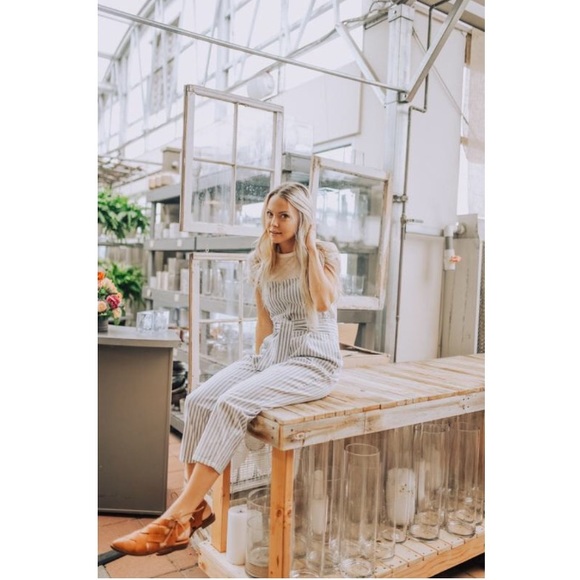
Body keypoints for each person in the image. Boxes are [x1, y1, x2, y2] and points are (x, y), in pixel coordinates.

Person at [110, 182, 343, 556]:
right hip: (273, 355)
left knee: (232, 403)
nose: (273, 222)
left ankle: (174, 518)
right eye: (269, 214)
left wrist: (311, 246)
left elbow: (322, 301)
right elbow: (265, 321)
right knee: (199, 400)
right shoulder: (262, 259)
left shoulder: (325, 254)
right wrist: (258, 367)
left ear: (303, 219)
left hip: (313, 359)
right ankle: (196, 510)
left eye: (284, 215)